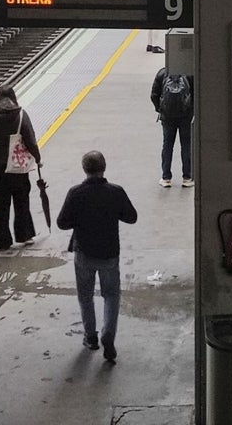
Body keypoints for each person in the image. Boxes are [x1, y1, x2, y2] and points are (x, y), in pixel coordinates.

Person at [56, 151, 138, 364]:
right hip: (110, 253)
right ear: (104, 167)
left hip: (84, 253)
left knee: (85, 295)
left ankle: (90, 337)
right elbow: (132, 217)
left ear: (85, 169)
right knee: (111, 295)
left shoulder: (76, 193)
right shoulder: (115, 191)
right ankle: (108, 333)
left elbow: (62, 223)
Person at [0, 86, 42, 249]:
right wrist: (37, 157)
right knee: (21, 200)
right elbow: (30, 139)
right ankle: (24, 234)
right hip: (17, 165)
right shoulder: (20, 114)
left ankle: (2, 241)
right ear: (13, 98)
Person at [151, 66, 193, 187]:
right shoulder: (189, 73)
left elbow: (154, 95)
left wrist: (160, 109)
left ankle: (166, 178)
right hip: (185, 116)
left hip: (167, 117)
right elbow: (195, 94)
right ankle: (187, 177)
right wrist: (191, 111)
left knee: (167, 145)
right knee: (186, 145)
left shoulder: (162, 73)